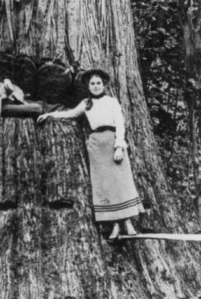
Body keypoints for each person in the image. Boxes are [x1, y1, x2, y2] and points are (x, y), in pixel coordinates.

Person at [38, 69, 144, 239]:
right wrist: (50, 114)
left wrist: (119, 146)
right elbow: (70, 114)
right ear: (88, 86)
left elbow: (120, 123)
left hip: (112, 142)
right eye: (92, 84)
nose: (95, 86)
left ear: (104, 85)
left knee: (121, 182)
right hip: (96, 146)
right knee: (105, 185)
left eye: (98, 83)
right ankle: (115, 225)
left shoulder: (111, 101)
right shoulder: (86, 103)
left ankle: (128, 223)